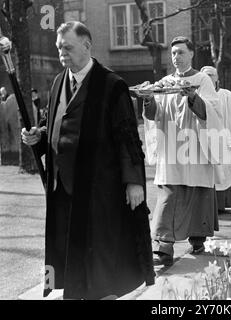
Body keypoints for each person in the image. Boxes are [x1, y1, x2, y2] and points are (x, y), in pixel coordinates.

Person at [21, 21, 154, 300]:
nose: (62, 54)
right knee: (71, 246)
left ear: (86, 45)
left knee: (99, 248)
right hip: (62, 186)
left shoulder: (111, 85)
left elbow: (127, 136)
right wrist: (39, 135)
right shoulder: (59, 82)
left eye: (67, 48)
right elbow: (52, 123)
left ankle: (103, 294)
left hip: (98, 185)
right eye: (59, 48)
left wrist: (134, 182)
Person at [141, 36, 224, 266]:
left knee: (198, 191)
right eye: (173, 53)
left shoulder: (202, 80)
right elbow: (154, 115)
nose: (176, 57)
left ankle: (198, 238)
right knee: (169, 193)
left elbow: (212, 111)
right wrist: (148, 101)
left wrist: (193, 97)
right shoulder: (165, 82)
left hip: (196, 144)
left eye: (180, 52)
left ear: (191, 54)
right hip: (172, 146)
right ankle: (164, 246)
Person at [200, 66, 231, 214]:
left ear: (217, 79)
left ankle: (221, 206)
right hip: (203, 143)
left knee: (224, 174)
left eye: (210, 75)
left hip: (223, 143)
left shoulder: (225, 95)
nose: (207, 78)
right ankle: (205, 208)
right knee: (205, 176)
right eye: (204, 76)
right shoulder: (196, 95)